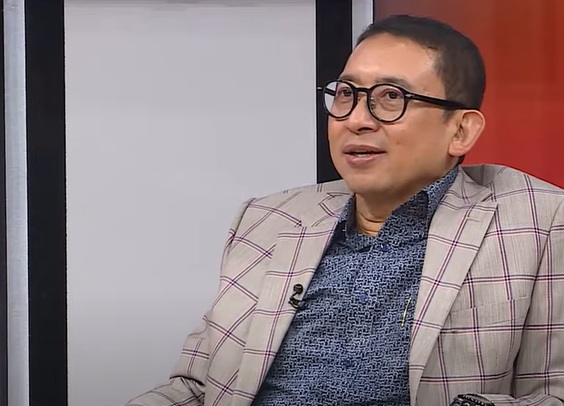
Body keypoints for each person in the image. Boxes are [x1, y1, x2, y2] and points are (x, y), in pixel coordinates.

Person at [126, 14, 564, 406]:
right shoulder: (269, 220)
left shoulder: (537, 222)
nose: (356, 119)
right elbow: (196, 388)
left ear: (461, 130)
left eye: (391, 97)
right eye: (346, 94)